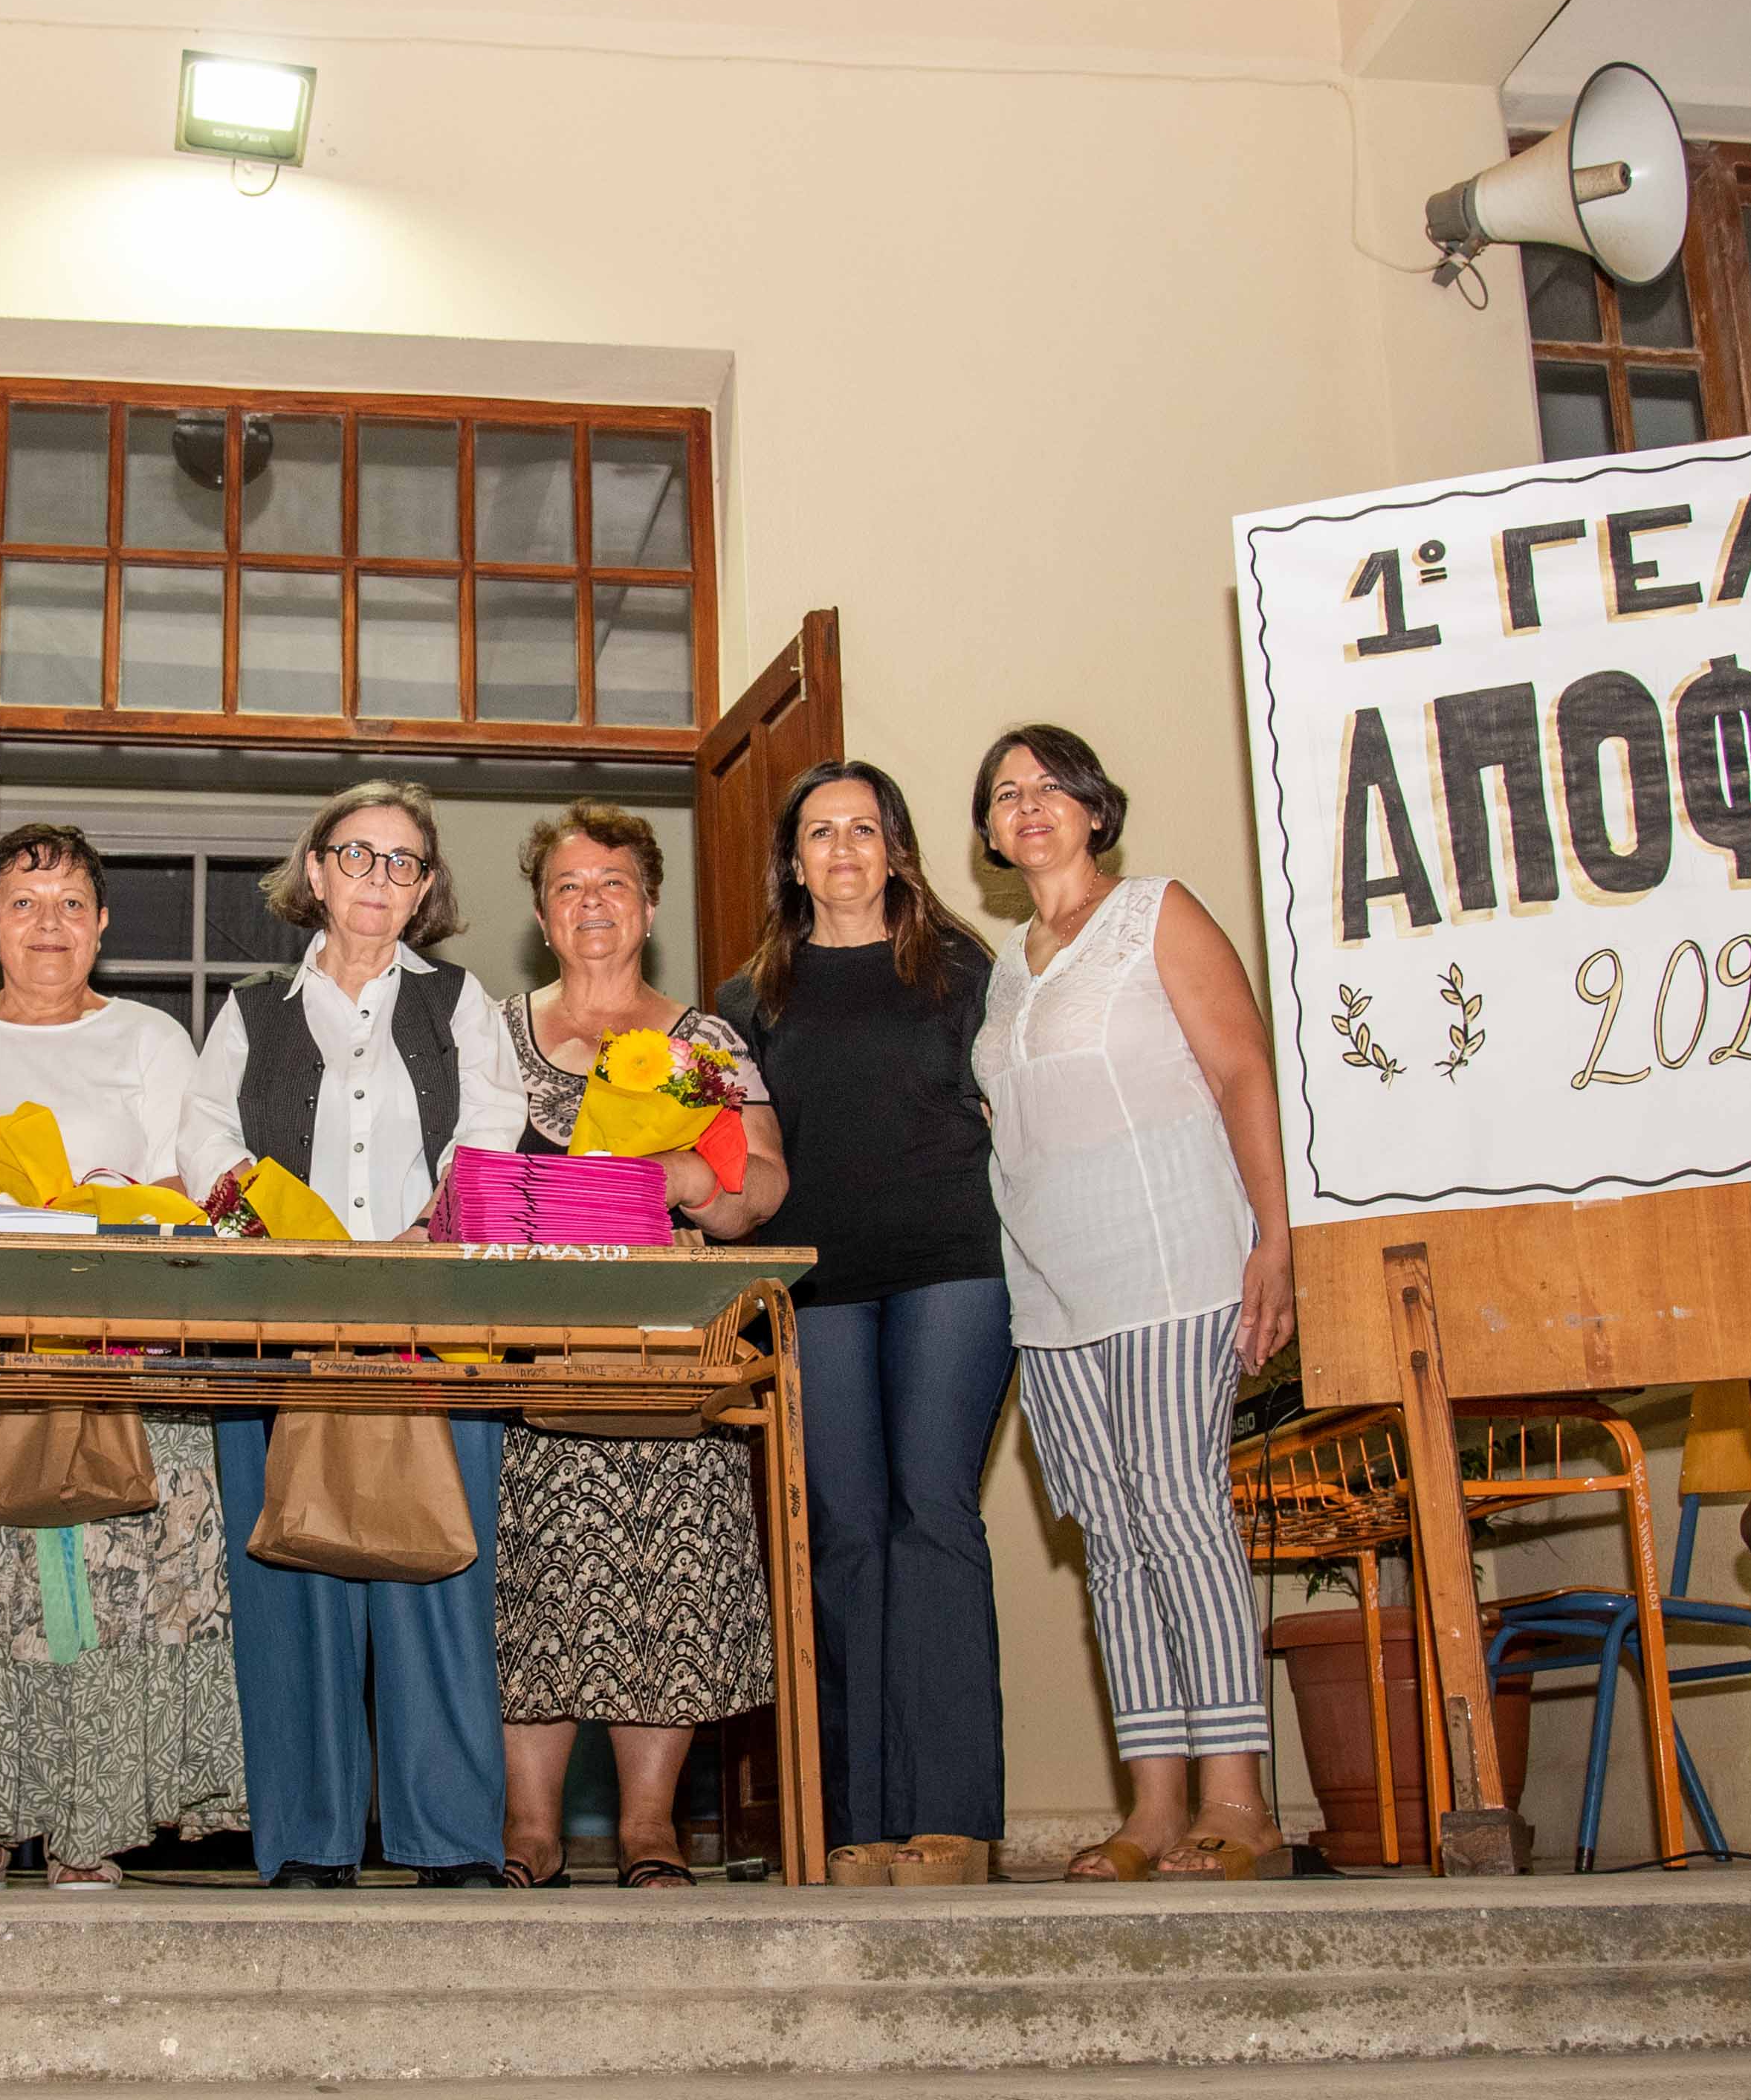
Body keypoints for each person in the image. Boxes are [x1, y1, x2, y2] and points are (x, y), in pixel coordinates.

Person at [0, 823, 236, 1891]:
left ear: (102, 925)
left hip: (115, 1344)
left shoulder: (154, 1039)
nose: (49, 924)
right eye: (24, 904)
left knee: (104, 1587)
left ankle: (89, 1825)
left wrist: (122, 1198)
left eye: (70, 904)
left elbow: (194, 1189)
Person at [178, 781, 529, 1888]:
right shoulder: (251, 1011)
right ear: (318, 871)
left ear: (425, 890)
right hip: (279, 1325)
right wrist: (266, 1223)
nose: (380, 878)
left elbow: (493, 1130)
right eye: (359, 855)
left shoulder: (461, 1002)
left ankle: (452, 1841)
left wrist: (434, 1224)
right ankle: (309, 1840)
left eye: (404, 861)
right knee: (293, 1579)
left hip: (435, 1318)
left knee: (441, 1575)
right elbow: (204, 1144)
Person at [969, 723, 1299, 1881]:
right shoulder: (1008, 965)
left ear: (1095, 809)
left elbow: (1243, 1068)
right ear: (990, 832)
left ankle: (1239, 1800)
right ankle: (1154, 1806)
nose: (1029, 804)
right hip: (1051, 1292)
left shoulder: (1156, 912)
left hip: (1170, 1261)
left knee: (1178, 1507)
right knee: (1109, 1537)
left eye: (1051, 786)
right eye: (1006, 793)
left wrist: (1275, 1239)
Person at [714, 761, 1013, 1881]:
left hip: (954, 1271)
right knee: (841, 1532)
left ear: (896, 850)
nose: (842, 849)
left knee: (931, 1514)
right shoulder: (747, 1000)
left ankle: (953, 1820)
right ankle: (857, 1822)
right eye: (820, 833)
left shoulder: (963, 970)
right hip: (815, 1286)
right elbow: (733, 1162)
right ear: (792, 862)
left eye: (865, 829)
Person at [486, 801, 787, 1889]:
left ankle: (650, 1829)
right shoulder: (492, 1034)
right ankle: (530, 1830)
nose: (592, 903)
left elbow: (761, 1186)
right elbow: (453, 1177)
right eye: (568, 887)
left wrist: (691, 1180)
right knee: (535, 1578)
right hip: (528, 1353)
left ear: (650, 907)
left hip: (671, 1351)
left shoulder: (707, 1043)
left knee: (667, 1569)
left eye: (614, 883)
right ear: (541, 917)